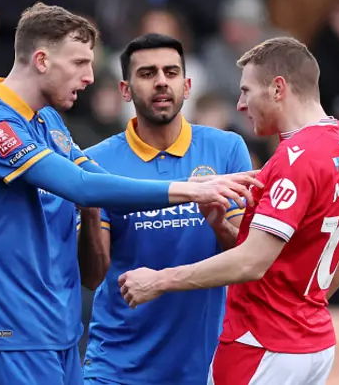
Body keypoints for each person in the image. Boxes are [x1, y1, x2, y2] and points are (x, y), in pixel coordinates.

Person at [0, 2, 258, 385]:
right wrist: (191, 189)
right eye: (79, 63)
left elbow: (95, 176)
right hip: (14, 331)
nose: (90, 77)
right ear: (42, 60)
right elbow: (80, 185)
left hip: (60, 330)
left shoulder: (47, 121)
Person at [118, 37, 339, 385]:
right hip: (313, 345)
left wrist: (159, 281)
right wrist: (222, 225)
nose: (240, 104)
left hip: (260, 344)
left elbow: (252, 262)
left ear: (278, 89)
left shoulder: (297, 159)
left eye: (247, 91)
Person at [78, 33, 253, 385]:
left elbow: (246, 259)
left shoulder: (226, 149)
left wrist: (219, 224)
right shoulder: (96, 161)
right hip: (117, 367)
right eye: (147, 73)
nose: (161, 81)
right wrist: (90, 209)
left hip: (203, 366)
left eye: (171, 72)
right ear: (125, 90)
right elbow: (92, 275)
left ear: (187, 86)